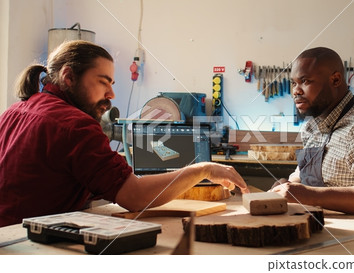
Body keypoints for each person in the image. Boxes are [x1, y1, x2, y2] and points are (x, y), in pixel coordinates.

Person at [0, 40, 249, 227]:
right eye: (103, 81)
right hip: (27, 245)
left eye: (112, 84)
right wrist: (203, 169)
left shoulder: (12, 112)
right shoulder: (75, 125)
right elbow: (135, 196)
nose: (111, 94)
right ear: (68, 76)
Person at [270, 47, 354, 215]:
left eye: (305, 81)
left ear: (335, 80)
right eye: (294, 83)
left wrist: (310, 196)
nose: (296, 91)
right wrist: (290, 184)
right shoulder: (312, 126)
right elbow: (308, 174)